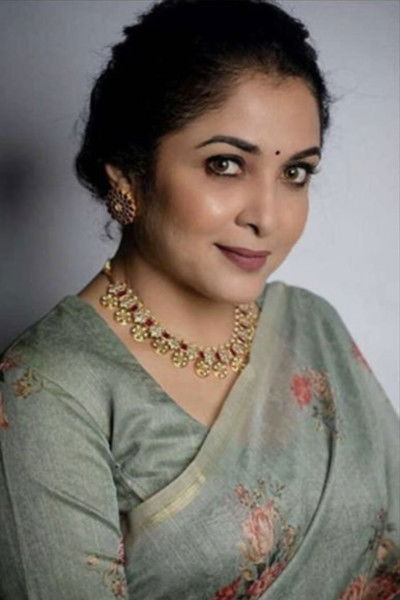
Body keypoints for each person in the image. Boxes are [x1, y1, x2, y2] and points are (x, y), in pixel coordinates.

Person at [0, 0, 399, 598]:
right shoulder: (50, 390)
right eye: (225, 164)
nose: (268, 217)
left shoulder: (312, 326)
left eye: (295, 172)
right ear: (128, 175)